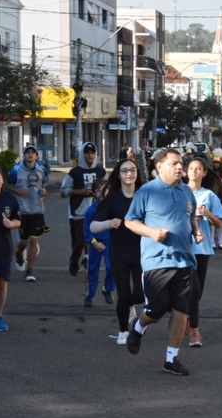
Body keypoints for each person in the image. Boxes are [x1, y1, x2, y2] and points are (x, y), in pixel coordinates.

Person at [123, 148, 204, 375]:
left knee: (181, 311)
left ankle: (171, 359)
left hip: (185, 261)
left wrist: (196, 231)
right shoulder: (146, 192)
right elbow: (130, 222)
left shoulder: (187, 192)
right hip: (156, 261)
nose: (180, 167)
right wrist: (150, 232)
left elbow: (190, 218)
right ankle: (138, 326)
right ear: (159, 166)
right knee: (156, 311)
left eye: (181, 163)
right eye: (174, 163)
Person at [91, 157, 144, 345]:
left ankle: (131, 309)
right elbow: (93, 226)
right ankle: (123, 331)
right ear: (119, 175)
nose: (129, 174)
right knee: (123, 295)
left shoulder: (144, 195)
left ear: (137, 174)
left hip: (141, 253)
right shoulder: (112, 198)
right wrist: (108, 223)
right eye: (125, 171)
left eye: (132, 170)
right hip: (119, 253)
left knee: (139, 294)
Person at [185, 157, 222, 347]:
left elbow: (220, 223)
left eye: (198, 169)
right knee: (192, 291)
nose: (194, 171)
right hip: (183, 248)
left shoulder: (209, 196)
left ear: (204, 173)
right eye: (191, 168)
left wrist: (207, 214)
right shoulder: (179, 192)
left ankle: (186, 317)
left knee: (197, 292)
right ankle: (195, 332)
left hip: (202, 249)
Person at [60, 141, 107, 277]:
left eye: (92, 153)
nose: (90, 155)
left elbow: (109, 189)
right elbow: (64, 191)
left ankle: (91, 268)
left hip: (97, 211)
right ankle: (74, 260)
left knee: (95, 241)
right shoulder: (75, 172)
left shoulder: (101, 172)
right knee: (81, 239)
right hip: (79, 210)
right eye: (87, 153)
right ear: (82, 154)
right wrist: (80, 191)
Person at [7, 145, 48, 282]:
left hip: (37, 210)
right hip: (22, 210)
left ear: (36, 156)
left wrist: (43, 190)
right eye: (27, 153)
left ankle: (30, 271)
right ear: (24, 156)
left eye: (33, 153)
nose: (30, 155)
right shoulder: (16, 170)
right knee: (24, 241)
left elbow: (43, 184)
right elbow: (6, 184)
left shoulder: (42, 170)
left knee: (34, 239)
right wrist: (18, 192)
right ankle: (19, 254)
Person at [0, 164, 22, 331]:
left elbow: (18, 221)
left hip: (4, 249)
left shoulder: (10, 199)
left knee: (3, 284)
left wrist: (10, 223)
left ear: (2, 179)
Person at [83, 179, 115, 307]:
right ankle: (89, 295)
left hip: (110, 242)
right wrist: (94, 242)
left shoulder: (112, 208)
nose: (102, 193)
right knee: (92, 270)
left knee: (111, 267)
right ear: (94, 193)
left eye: (105, 190)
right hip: (95, 243)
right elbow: (87, 231)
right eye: (99, 190)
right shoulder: (91, 211)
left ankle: (107, 289)